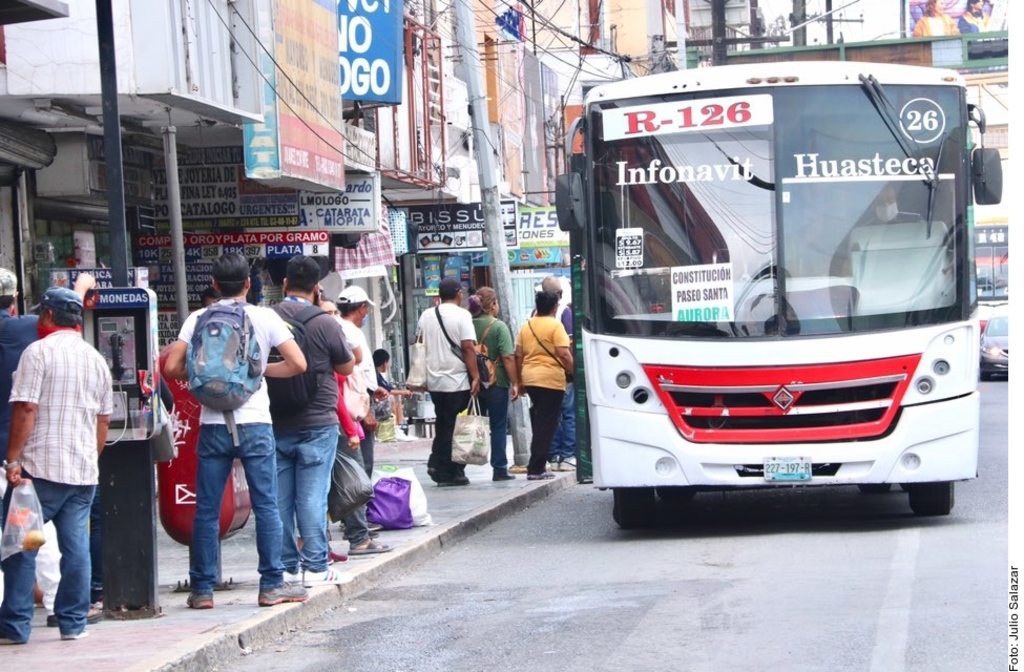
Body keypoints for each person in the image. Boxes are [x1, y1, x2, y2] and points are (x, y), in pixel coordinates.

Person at [163, 253, 309, 610]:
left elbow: (171, 366)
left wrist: (200, 380)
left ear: (213, 285)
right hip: (256, 422)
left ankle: (202, 590)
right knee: (267, 505)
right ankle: (271, 585)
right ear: (248, 283)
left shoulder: (198, 318)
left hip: (212, 423)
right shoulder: (264, 316)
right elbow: (298, 363)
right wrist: (256, 374)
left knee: (207, 510)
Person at [0, 286, 113, 644]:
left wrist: (13, 459)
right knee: (75, 547)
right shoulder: (95, 358)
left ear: (47, 315)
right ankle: (73, 622)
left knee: (21, 546)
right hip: (82, 474)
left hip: (38, 473)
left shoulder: (38, 353)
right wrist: (89, 461)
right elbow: (103, 420)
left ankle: (15, 626)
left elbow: (25, 408)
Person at [270, 256, 354, 588]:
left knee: (280, 500)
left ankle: (287, 567)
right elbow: (346, 368)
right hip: (318, 420)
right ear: (317, 288)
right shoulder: (326, 322)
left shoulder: (268, 317)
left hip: (275, 420)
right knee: (312, 497)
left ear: (285, 284)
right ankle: (317, 566)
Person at [336, 286, 391, 555]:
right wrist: (366, 410)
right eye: (366, 308)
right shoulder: (348, 332)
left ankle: (355, 524)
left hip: (355, 406)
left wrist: (374, 388)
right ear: (360, 309)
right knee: (358, 471)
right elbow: (350, 377)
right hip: (352, 410)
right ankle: (357, 531)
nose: (367, 313)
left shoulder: (342, 329)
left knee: (358, 469)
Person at [417, 277, 479, 486]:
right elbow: (468, 347)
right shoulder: (463, 315)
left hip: (435, 380)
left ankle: (440, 464)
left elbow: (419, 346)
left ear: (439, 296)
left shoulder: (426, 315)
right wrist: (476, 376)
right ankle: (446, 468)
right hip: (457, 380)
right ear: (459, 294)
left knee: (443, 422)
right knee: (455, 427)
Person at [515, 290, 573, 481]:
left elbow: (518, 354)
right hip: (550, 380)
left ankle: (537, 464)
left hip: (530, 378)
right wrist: (575, 372)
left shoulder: (527, 326)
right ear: (555, 307)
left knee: (541, 420)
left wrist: (519, 381)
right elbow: (563, 353)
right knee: (546, 424)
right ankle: (536, 467)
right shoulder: (555, 326)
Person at [468, 288, 519, 481]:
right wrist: (515, 382)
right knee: (497, 426)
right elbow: (507, 356)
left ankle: (464, 464)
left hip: (475, 382)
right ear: (493, 304)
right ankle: (499, 468)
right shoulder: (499, 327)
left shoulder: (468, 324)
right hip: (497, 381)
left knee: (475, 423)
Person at [540, 276, 576, 471]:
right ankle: (569, 455)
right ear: (560, 295)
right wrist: (572, 370)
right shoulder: (564, 312)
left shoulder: (533, 315)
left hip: (540, 375)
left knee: (551, 416)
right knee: (568, 414)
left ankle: (553, 455)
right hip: (561, 372)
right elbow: (567, 347)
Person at [372, 349, 415, 443]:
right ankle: (394, 428)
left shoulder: (378, 375)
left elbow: (388, 388)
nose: (388, 366)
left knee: (396, 397)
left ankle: (398, 427)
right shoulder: (372, 374)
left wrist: (402, 392)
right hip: (372, 404)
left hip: (376, 403)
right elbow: (387, 391)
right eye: (388, 362)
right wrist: (404, 392)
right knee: (391, 398)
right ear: (384, 362)